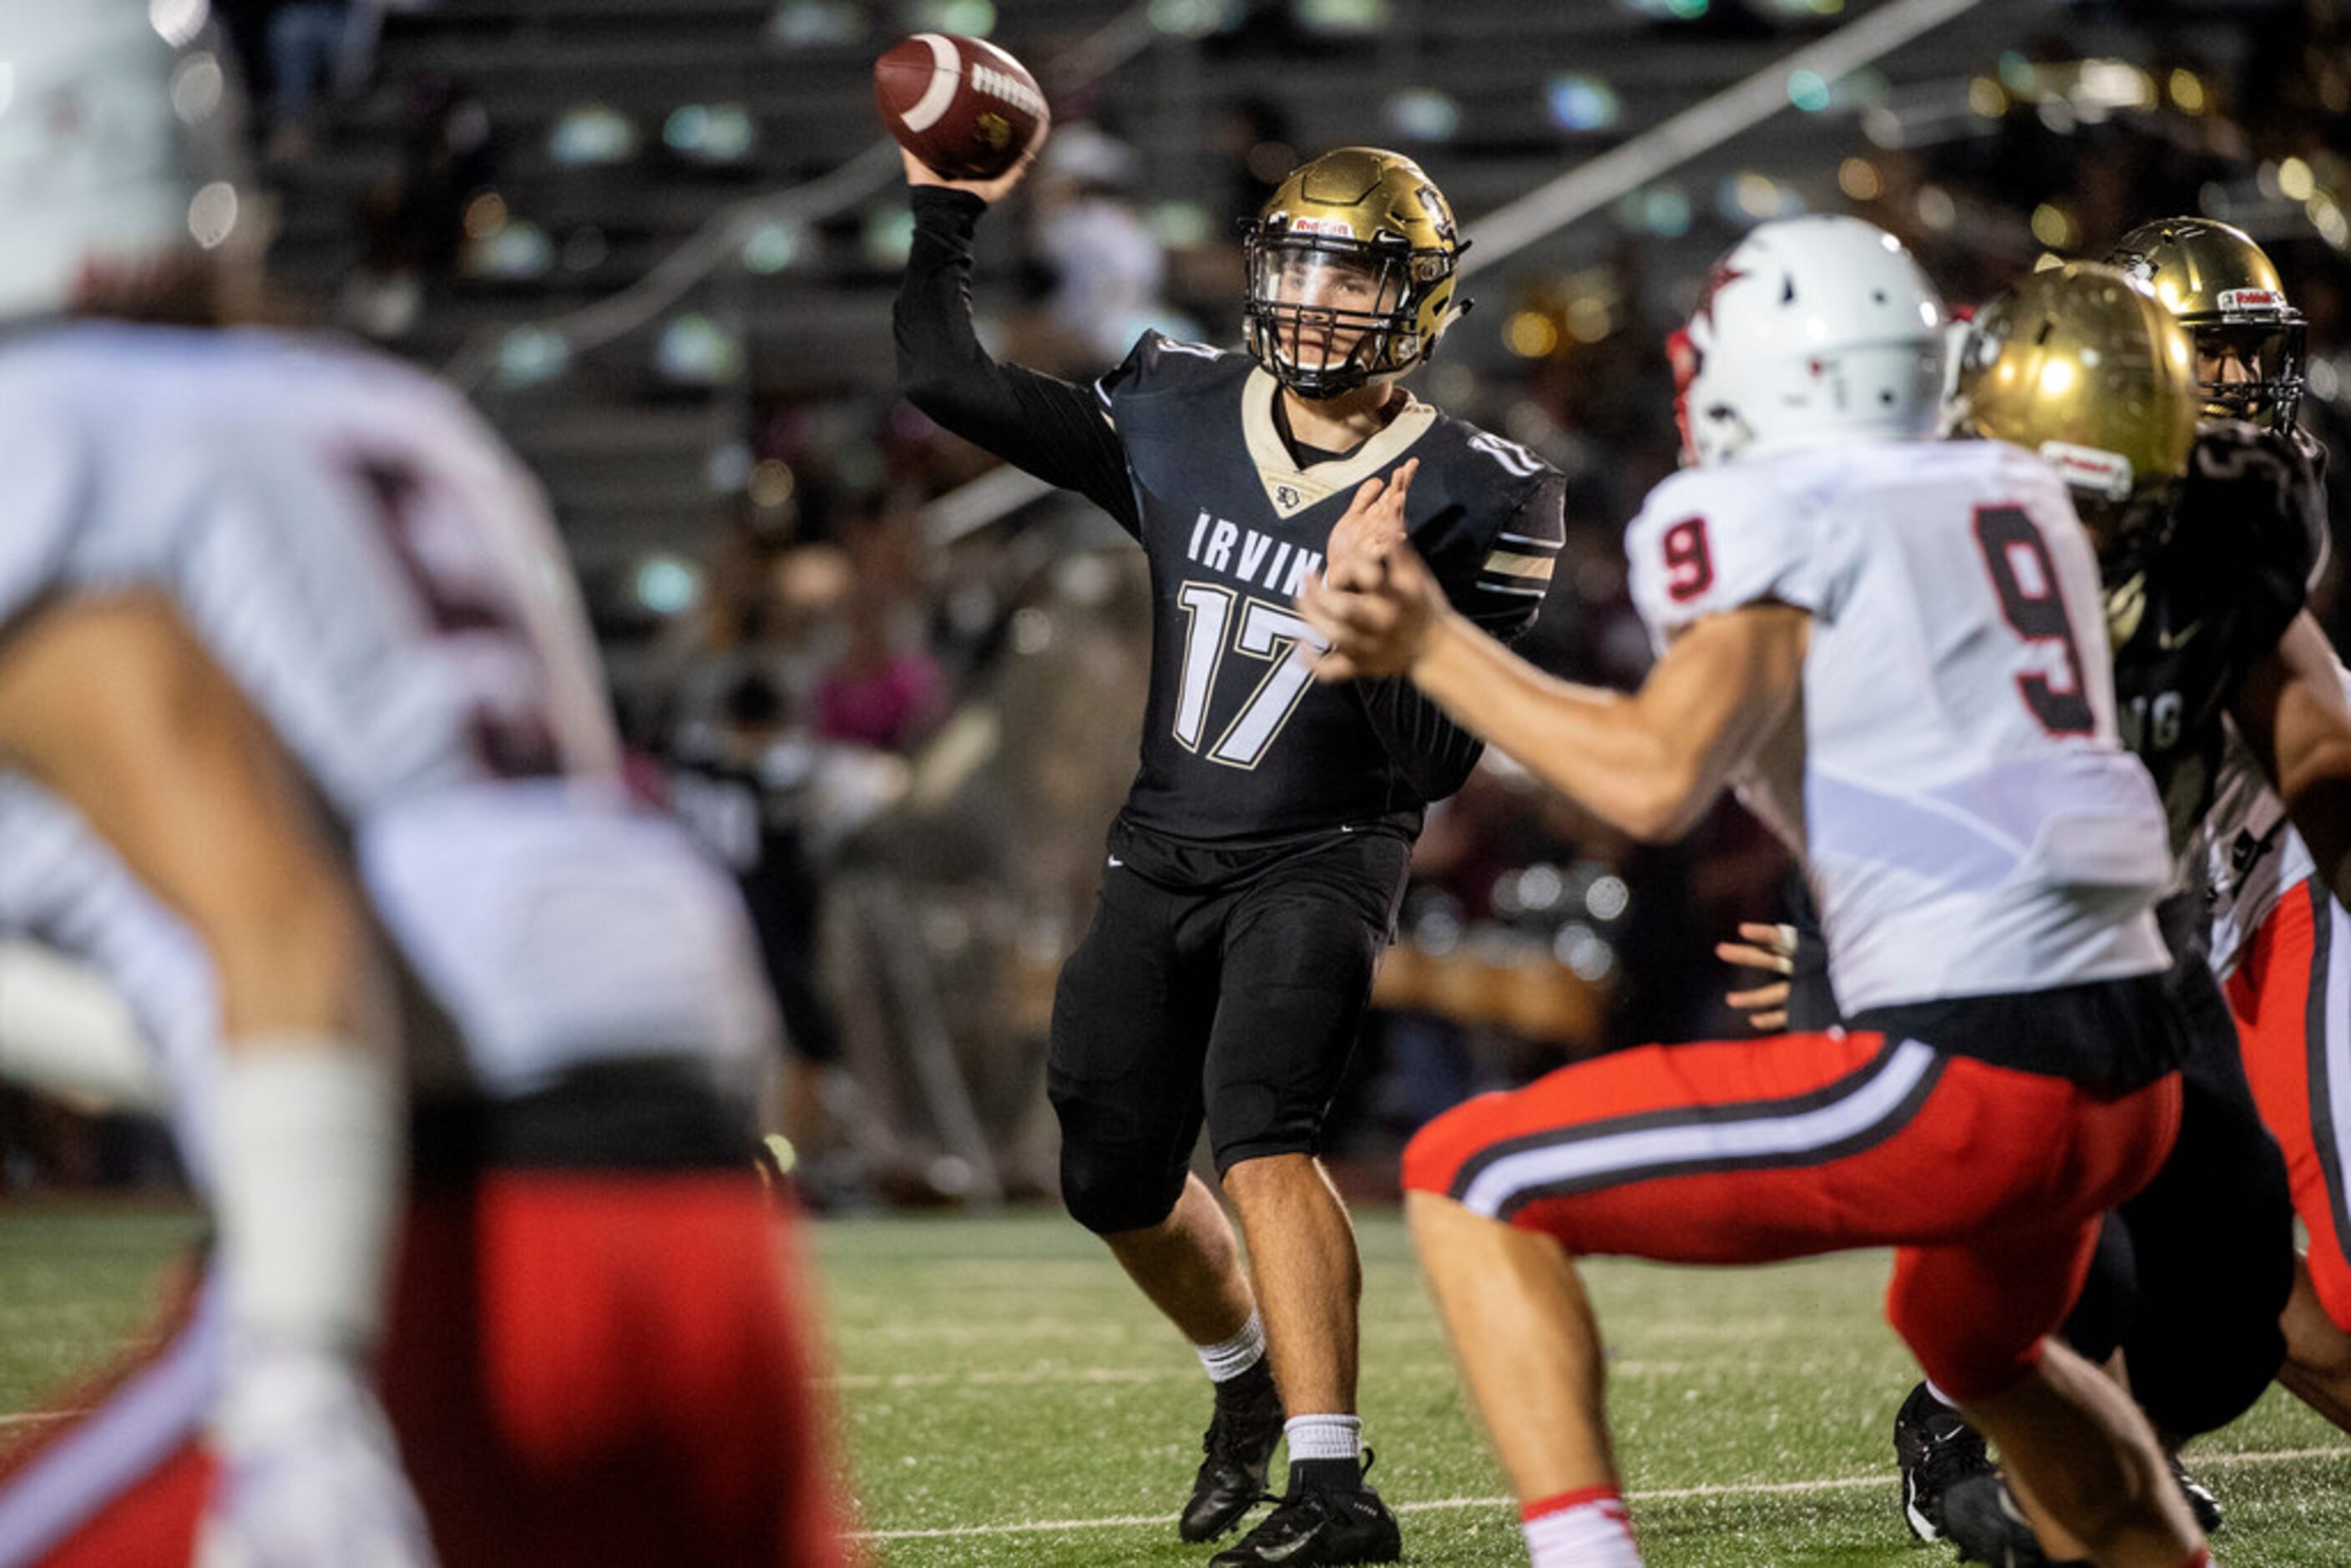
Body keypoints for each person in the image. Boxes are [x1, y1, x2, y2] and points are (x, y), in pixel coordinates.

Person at [0, 6, 845, 1564]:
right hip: (701, 1222)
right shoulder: (378, 410)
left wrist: (300, 1386)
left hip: (452, 1253)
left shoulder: (47, 437)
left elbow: (283, 919)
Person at [1299, 214, 2207, 1568]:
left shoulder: (1775, 502)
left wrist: (1427, 640)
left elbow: (1656, 778)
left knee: (1471, 1173)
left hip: (1975, 1071)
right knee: (1973, 1340)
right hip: (2134, 1061)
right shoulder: (2011, 490)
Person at [896, 134, 1565, 1565]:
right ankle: (1244, 1374)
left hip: (1327, 847)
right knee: (1109, 1171)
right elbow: (947, 384)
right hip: (1163, 846)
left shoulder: (1485, 491)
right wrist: (942, 215)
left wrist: (1381, 620)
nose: (1321, 301)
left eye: (1356, 273)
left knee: (1263, 1123)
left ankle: (1334, 1486)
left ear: (1422, 301)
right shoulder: (1180, 408)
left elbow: (1437, 763)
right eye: (1301, 266)